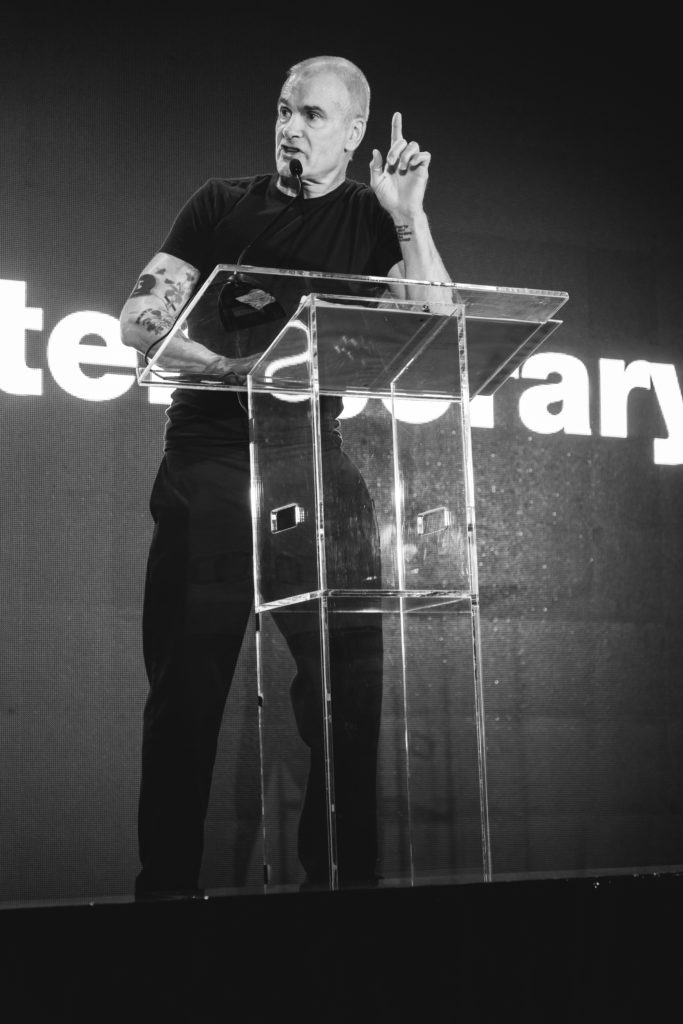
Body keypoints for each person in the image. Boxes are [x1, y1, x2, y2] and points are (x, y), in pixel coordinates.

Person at [120, 55, 452, 899]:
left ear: (352, 134)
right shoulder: (220, 203)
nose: (289, 127)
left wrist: (409, 220)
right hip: (213, 460)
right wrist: (233, 371)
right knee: (187, 695)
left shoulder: (375, 218)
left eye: (310, 115)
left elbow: (437, 324)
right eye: (282, 110)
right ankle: (164, 902)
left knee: (347, 695)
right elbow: (139, 318)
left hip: (313, 456)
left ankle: (338, 900)